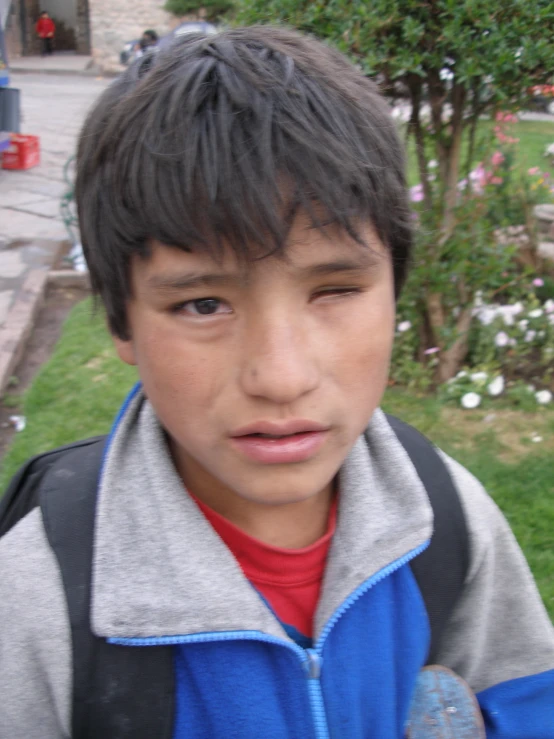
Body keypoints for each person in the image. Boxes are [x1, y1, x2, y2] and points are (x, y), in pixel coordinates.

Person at [0, 26, 553, 739]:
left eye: (335, 289)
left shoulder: (448, 516)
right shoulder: (37, 595)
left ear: (396, 289)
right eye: (203, 304)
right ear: (121, 320)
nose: (281, 376)